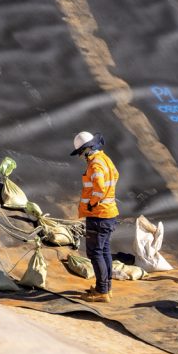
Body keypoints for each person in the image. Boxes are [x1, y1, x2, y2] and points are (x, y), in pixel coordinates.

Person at [70, 130, 119, 303]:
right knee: (104, 250)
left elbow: (99, 188)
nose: (81, 156)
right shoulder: (105, 159)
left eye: (81, 152)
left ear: (87, 148)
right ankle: (106, 287)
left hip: (98, 215)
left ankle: (101, 292)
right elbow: (114, 178)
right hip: (109, 213)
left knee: (95, 252)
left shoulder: (95, 164)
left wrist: (92, 203)